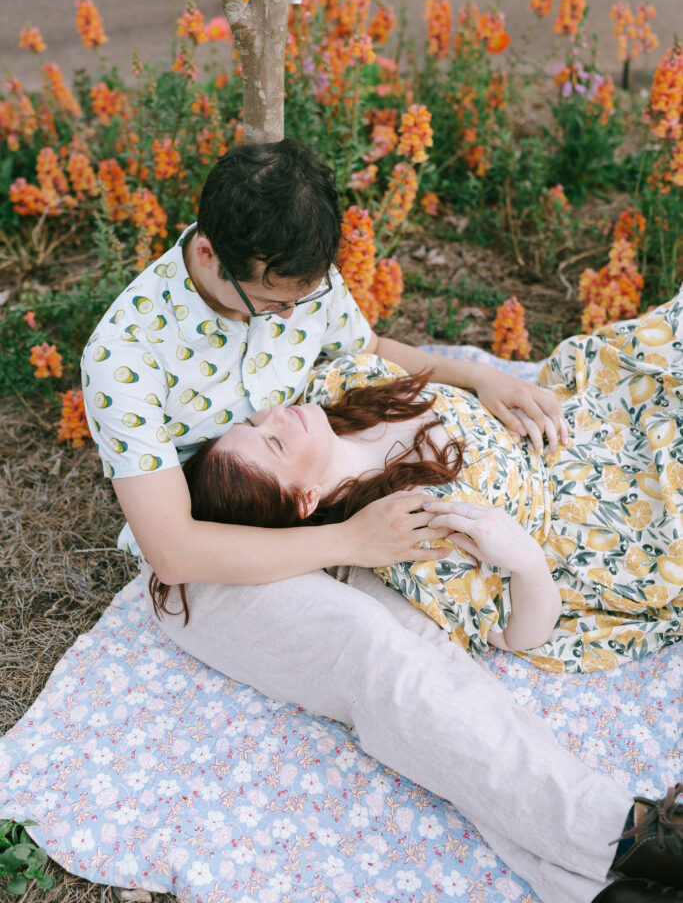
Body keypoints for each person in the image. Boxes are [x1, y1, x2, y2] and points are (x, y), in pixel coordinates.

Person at [82, 139, 682, 903]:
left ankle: (591, 887)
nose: (289, 317)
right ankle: (635, 837)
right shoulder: (125, 352)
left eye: (304, 299)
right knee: (380, 663)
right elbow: (173, 550)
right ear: (208, 254)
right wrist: (344, 543)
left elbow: (358, 345)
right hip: (215, 553)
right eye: (272, 304)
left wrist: (476, 376)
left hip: (337, 499)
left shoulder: (297, 273)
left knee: (443, 681)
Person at [164, 306, 683, 673]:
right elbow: (519, 636)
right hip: (623, 510)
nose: (277, 414)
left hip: (592, 412)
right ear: (305, 499)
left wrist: (483, 377)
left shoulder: (336, 388)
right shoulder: (406, 534)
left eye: (257, 424)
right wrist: (527, 563)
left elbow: (384, 351)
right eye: (274, 442)